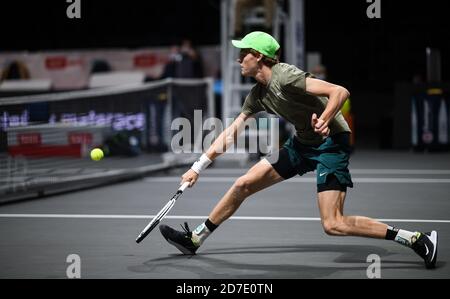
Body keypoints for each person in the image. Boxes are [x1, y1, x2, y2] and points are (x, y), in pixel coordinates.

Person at [159, 31, 438, 269]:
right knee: (243, 184)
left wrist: (325, 119)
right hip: (302, 144)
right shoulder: (257, 95)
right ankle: (195, 238)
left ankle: (415, 238)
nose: (237, 59)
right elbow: (230, 134)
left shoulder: (285, 75)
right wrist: (197, 167)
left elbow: (339, 91)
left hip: (331, 143)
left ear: (257, 56)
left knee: (333, 224)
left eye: (242, 53)